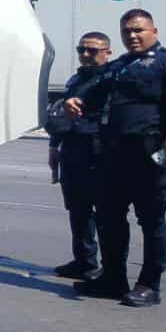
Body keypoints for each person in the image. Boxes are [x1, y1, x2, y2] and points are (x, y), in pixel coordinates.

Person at [64, 8, 166, 307]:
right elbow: (95, 91)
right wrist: (78, 101)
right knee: (109, 217)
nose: (132, 36)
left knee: (151, 219)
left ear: (154, 31)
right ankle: (113, 279)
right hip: (115, 157)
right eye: (127, 31)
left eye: (138, 30)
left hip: (152, 154)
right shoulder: (120, 67)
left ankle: (149, 285)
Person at [49, 31, 111, 279]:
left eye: (92, 50)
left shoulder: (112, 80)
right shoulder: (75, 80)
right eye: (81, 50)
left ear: (107, 52)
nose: (85, 55)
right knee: (77, 209)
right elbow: (64, 116)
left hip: (98, 153)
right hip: (72, 152)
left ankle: (110, 269)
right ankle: (84, 261)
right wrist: (54, 147)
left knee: (106, 213)